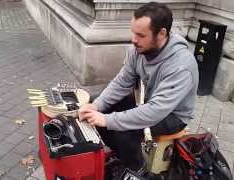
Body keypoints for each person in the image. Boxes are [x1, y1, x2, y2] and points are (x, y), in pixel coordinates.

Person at [78, 1, 199, 179]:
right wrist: (97, 106)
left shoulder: (181, 65)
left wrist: (107, 120)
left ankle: (138, 170)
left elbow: (155, 111)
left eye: (141, 35)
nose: (134, 40)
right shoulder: (137, 49)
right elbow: (122, 82)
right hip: (150, 103)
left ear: (162, 33)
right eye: (133, 32)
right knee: (101, 108)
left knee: (123, 131)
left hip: (173, 114)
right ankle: (122, 156)